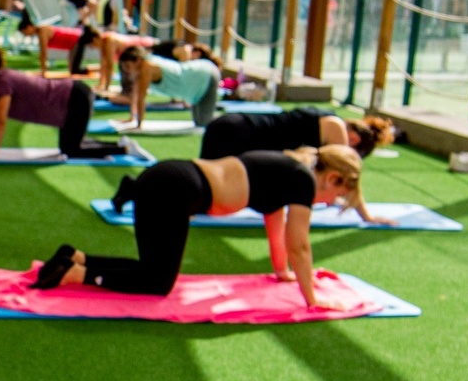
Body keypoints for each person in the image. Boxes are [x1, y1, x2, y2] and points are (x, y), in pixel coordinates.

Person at [33, 145, 367, 307]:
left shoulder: (288, 172)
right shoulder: (303, 181)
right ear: (333, 178)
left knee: (151, 270)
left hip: (167, 177)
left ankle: (76, 258)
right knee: (158, 283)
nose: (330, 203)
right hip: (177, 189)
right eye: (337, 196)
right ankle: (77, 274)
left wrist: (283, 272)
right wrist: (311, 299)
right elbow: (300, 245)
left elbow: (277, 231)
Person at [0, 48, 128, 159]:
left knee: (72, 150)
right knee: (71, 145)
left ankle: (123, 149)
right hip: (73, 97)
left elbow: (0, 120)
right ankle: (120, 144)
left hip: (75, 98)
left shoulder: (3, 82)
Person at [198, 109, 396, 161]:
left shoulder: (328, 120)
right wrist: (366, 215)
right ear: (354, 140)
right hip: (237, 133)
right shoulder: (336, 129)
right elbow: (347, 171)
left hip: (229, 124)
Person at [114, 42, 224, 128]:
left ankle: (225, 118)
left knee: (203, 122)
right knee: (199, 121)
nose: (127, 70)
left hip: (206, 74)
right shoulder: (140, 69)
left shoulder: (147, 67)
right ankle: (213, 110)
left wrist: (139, 125)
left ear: (138, 60)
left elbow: (141, 98)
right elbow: (135, 95)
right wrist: (131, 118)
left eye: (128, 66)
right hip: (195, 83)